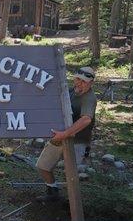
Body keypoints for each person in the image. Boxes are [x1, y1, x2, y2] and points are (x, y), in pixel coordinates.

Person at [36, 66, 97, 202]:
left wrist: (65, 134)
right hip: (60, 136)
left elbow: (86, 119)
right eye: (78, 79)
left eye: (84, 81)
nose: (80, 83)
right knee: (43, 166)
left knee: (70, 174)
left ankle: (73, 204)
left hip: (77, 141)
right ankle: (53, 192)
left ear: (91, 83)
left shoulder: (89, 98)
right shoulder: (69, 91)